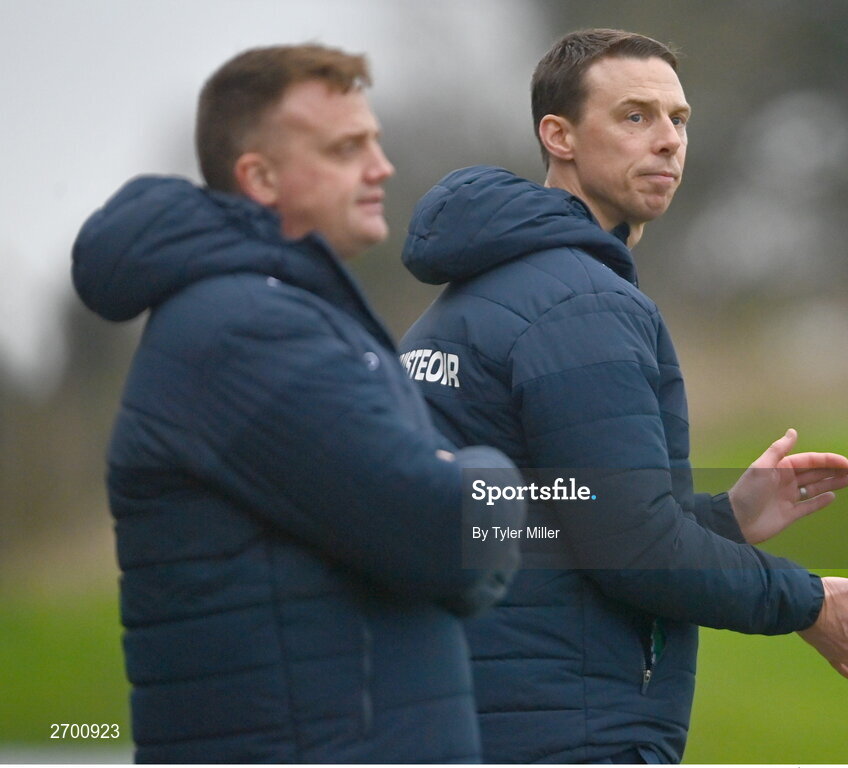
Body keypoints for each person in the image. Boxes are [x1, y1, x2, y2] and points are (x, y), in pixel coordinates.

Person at [398, 29, 848, 763]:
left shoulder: (473, 296)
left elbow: (551, 521)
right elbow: (629, 546)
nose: (669, 142)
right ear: (559, 136)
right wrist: (804, 602)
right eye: (635, 117)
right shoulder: (577, 302)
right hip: (566, 729)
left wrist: (725, 519)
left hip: (480, 715)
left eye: (678, 120)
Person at [71, 44, 525, 763]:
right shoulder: (244, 332)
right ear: (259, 177)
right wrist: (491, 470)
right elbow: (445, 533)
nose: (381, 167)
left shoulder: (276, 311)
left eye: (373, 141)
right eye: (346, 148)